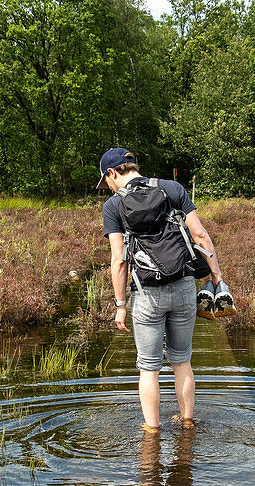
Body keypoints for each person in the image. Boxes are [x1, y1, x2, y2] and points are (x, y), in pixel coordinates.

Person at [98, 147, 226, 431]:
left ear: (111, 173)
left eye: (105, 181)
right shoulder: (172, 188)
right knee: (182, 362)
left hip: (146, 295)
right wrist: (217, 277)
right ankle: (188, 422)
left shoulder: (112, 206)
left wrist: (120, 305)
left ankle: (152, 431)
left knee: (149, 368)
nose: (107, 187)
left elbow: (119, 261)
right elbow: (200, 235)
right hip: (183, 288)